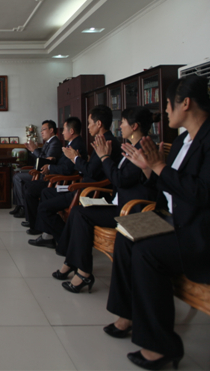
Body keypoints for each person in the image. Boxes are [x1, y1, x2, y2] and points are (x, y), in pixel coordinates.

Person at [106, 76, 210, 370]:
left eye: (168, 104)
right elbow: (169, 186)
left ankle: (160, 346)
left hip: (207, 232)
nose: (165, 111)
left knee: (147, 252)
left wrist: (158, 166)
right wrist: (150, 170)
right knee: (126, 231)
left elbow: (207, 194)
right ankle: (127, 314)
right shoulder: (182, 140)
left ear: (185, 103)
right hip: (175, 219)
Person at [54, 107, 158, 293]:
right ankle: (73, 264)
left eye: (123, 122)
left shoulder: (143, 150)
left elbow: (118, 179)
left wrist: (104, 157)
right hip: (120, 204)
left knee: (80, 214)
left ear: (134, 126)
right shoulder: (131, 146)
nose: (120, 126)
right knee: (78, 212)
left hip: (131, 212)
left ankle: (80, 270)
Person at [27, 106, 122, 247]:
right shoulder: (103, 140)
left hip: (87, 190)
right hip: (83, 185)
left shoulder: (106, 142)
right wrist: (77, 159)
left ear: (99, 124)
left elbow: (91, 172)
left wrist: (76, 159)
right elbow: (91, 169)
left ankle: (66, 241)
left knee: (44, 207)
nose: (88, 127)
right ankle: (49, 235)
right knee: (46, 193)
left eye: (89, 123)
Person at [21, 116, 87, 235]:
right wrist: (53, 161)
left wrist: (50, 167)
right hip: (55, 177)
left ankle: (37, 225)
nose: (62, 132)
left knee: (31, 189)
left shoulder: (76, 145)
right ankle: (37, 225)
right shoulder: (72, 143)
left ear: (71, 131)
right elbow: (63, 163)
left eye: (64, 129)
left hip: (62, 181)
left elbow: (67, 169)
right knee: (29, 187)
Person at [9, 120, 63, 218]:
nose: (41, 132)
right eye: (41, 130)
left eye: (44, 129)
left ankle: (23, 207)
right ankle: (20, 205)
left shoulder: (55, 143)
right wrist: (33, 150)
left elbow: (46, 161)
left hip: (44, 174)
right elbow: (39, 159)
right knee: (17, 175)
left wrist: (35, 150)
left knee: (18, 177)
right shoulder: (48, 142)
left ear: (51, 130)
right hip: (37, 171)